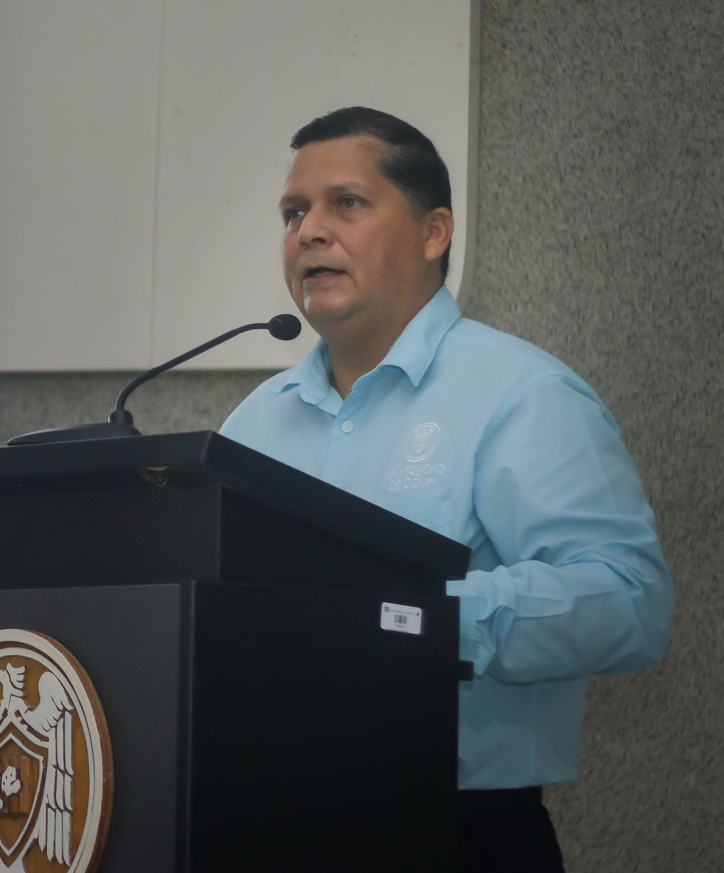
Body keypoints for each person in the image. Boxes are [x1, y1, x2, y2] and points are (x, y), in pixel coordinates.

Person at [219, 107, 672, 873]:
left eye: (346, 203)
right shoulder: (256, 422)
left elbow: (632, 602)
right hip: (270, 825)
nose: (309, 232)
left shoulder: (520, 394)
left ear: (435, 233)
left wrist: (427, 618)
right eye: (294, 213)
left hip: (457, 835)